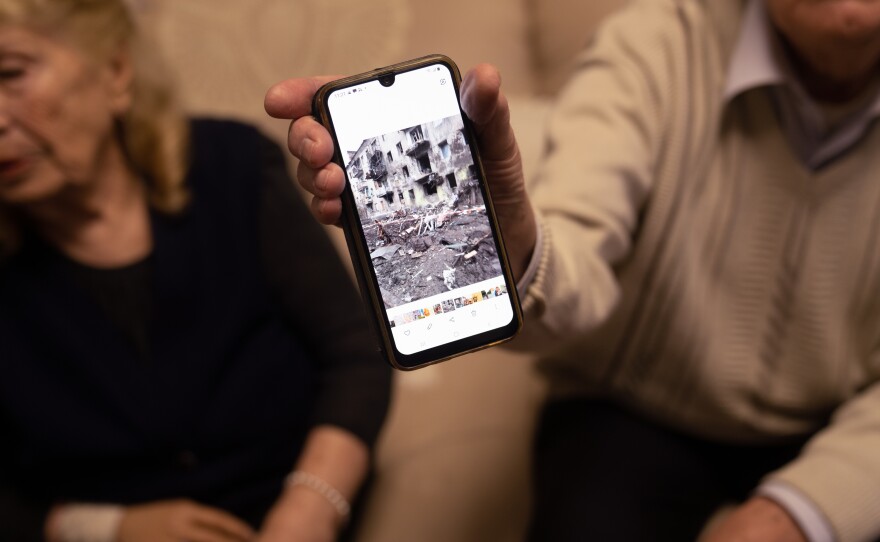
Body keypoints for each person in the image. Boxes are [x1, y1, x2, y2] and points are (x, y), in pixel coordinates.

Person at [266, 0, 880, 540]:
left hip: (850, 425)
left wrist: (800, 512)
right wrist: (516, 241)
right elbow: (580, 248)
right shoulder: (656, 46)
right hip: (631, 414)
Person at [0, 1, 391, 541]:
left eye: (11, 74)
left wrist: (310, 508)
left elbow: (356, 357)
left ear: (114, 71)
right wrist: (104, 527)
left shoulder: (232, 167)